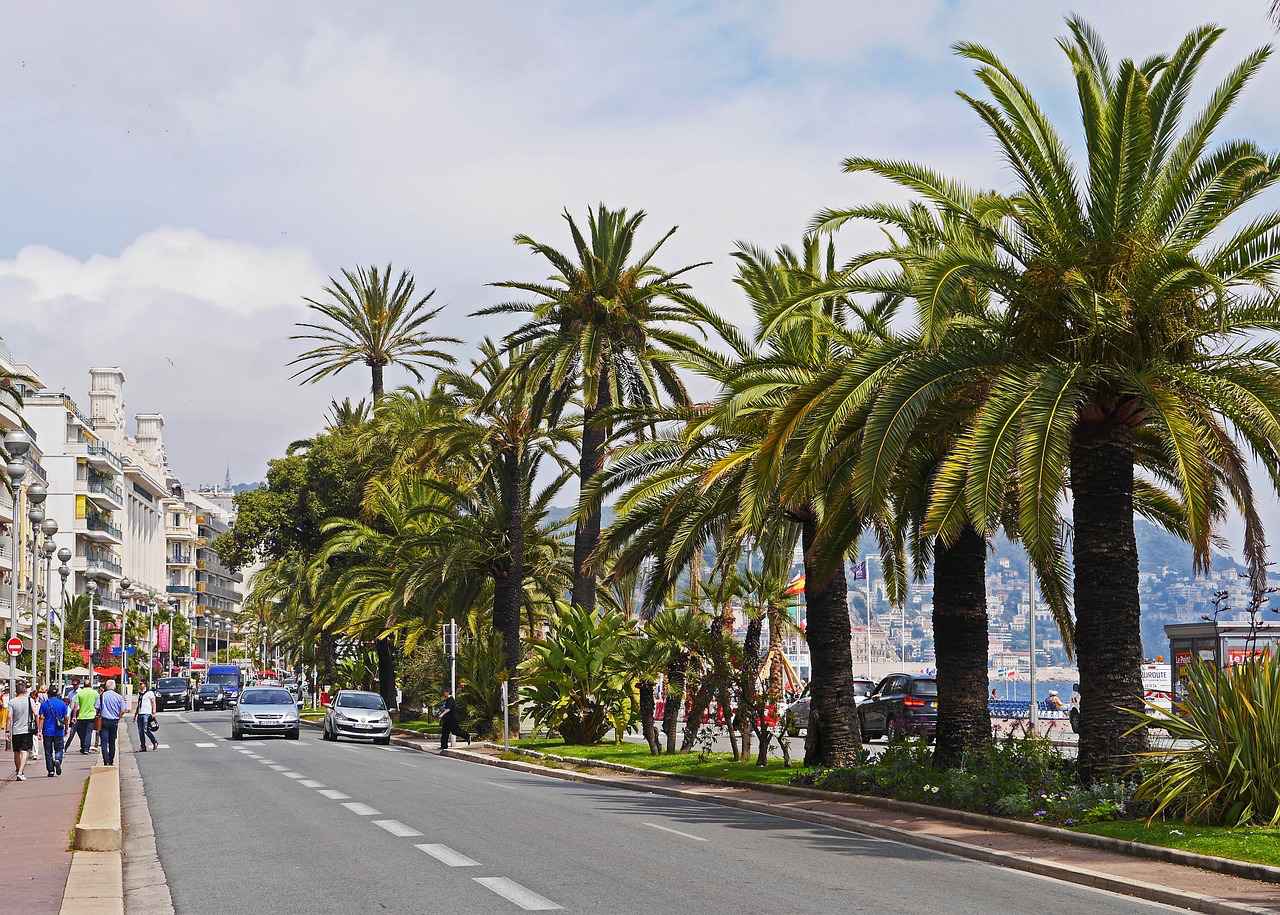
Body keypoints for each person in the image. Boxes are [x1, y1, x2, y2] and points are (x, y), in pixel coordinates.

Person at [37, 685, 71, 777]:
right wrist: (67, 728)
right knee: (59, 748)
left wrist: (39, 731)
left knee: (48, 751)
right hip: (59, 731)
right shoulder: (62, 704)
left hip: (47, 731)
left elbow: (41, 718)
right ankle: (58, 759)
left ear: (48, 694)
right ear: (57, 694)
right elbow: (66, 718)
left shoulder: (44, 704)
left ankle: (51, 770)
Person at [7, 680, 37, 780]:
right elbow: (36, 713)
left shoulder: (11, 702)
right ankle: (20, 772)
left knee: (16, 752)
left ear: (16, 691)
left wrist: (7, 731)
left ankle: (18, 770)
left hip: (15, 730)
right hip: (26, 730)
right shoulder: (30, 700)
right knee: (24, 751)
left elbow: (9, 717)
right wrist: (38, 727)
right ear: (25, 691)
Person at [96, 680, 126, 766]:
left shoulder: (102, 696)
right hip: (114, 721)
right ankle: (111, 760)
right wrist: (118, 717)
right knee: (112, 742)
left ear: (106, 687)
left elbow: (97, 707)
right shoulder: (119, 697)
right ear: (114, 687)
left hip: (104, 721)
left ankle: (106, 760)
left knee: (104, 742)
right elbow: (123, 710)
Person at [73, 679, 99, 754]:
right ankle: (86, 748)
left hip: (81, 716)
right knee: (88, 732)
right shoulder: (95, 693)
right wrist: (96, 713)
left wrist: (74, 716)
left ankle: (83, 746)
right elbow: (97, 705)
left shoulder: (80, 693)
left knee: (82, 733)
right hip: (91, 716)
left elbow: (76, 706)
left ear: (83, 685)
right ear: (90, 685)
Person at [134, 681, 159, 752]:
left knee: (145, 729)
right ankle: (143, 746)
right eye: (139, 684)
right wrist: (135, 714)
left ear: (145, 685)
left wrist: (154, 712)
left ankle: (154, 742)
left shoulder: (150, 693)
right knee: (140, 731)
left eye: (141, 684)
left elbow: (153, 702)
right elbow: (139, 705)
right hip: (140, 714)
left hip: (146, 714)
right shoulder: (139, 694)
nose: (139, 685)